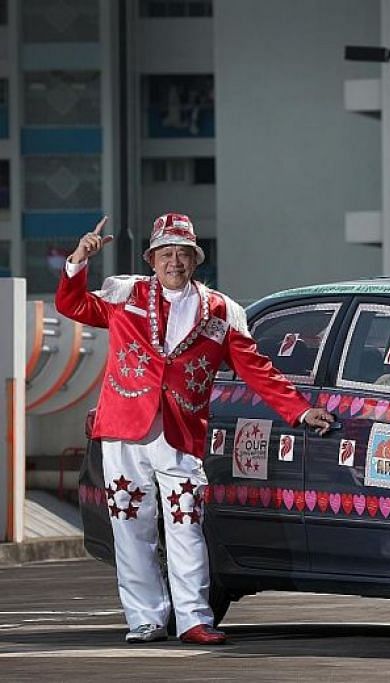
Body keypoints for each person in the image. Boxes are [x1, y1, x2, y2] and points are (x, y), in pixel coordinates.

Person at [56, 213, 333, 645]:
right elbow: (71, 305)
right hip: (125, 429)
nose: (174, 262)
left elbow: (255, 368)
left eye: (183, 254)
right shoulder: (125, 294)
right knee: (131, 527)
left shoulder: (221, 310)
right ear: (152, 259)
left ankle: (193, 619)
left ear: (195, 259)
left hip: (181, 434)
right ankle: (145, 620)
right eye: (166, 254)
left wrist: (298, 410)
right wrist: (79, 259)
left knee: (185, 524)